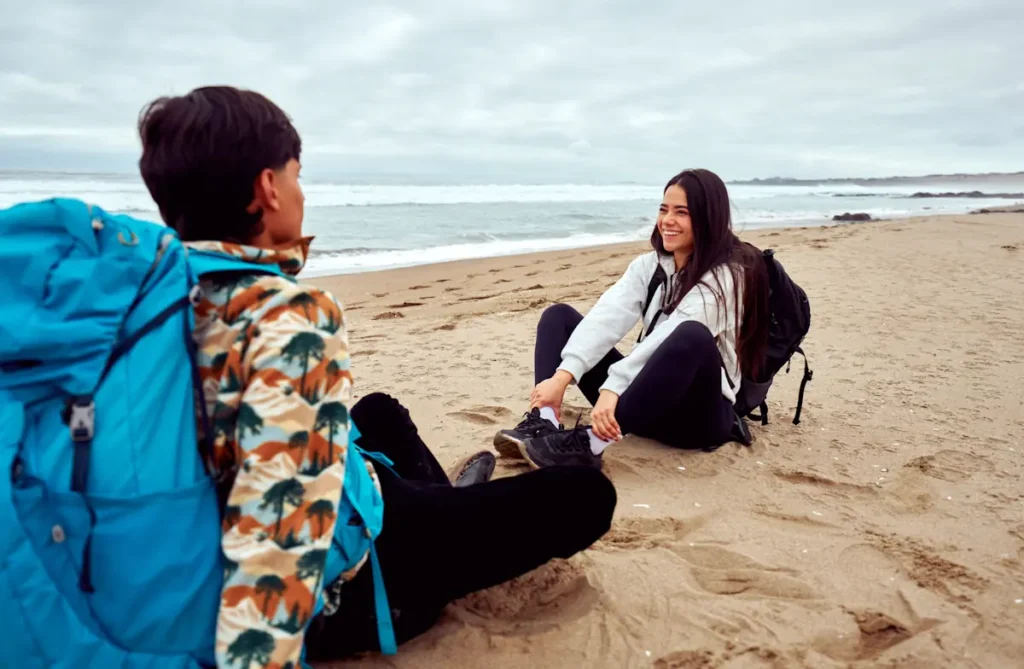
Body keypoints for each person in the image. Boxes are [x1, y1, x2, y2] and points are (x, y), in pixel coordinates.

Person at [137, 86, 617, 666]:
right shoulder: (285, 319)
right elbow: (278, 540)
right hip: (354, 573)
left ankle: (446, 509)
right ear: (269, 188)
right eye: (296, 175)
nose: (300, 192)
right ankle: (445, 548)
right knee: (587, 494)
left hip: (300, 504)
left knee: (380, 411)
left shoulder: (148, 299)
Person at [494, 168, 770, 469]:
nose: (667, 221)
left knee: (692, 335)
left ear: (708, 218)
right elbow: (607, 317)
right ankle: (544, 421)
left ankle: (590, 445)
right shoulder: (649, 266)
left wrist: (612, 388)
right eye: (663, 209)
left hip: (698, 421)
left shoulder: (727, 277)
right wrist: (562, 378)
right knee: (558, 317)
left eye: (682, 212)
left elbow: (669, 337)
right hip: (643, 407)